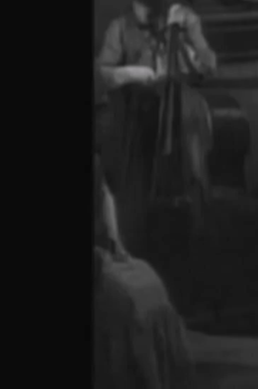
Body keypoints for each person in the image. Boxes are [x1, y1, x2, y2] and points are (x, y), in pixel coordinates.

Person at [96, 0, 217, 313]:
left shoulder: (183, 17)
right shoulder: (119, 27)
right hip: (137, 124)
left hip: (182, 117)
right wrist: (131, 73)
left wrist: (189, 38)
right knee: (133, 200)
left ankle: (192, 280)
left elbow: (209, 67)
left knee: (192, 188)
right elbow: (102, 72)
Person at [94, 155, 196, 389]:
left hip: (106, 259)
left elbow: (104, 199)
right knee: (124, 300)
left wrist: (115, 246)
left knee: (144, 288)